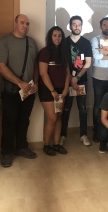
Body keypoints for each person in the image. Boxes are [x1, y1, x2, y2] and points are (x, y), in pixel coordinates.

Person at [0, 14, 39, 167]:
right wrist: (20, 82)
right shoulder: (4, 41)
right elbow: (0, 65)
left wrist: (35, 83)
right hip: (10, 91)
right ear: (15, 24)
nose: (25, 26)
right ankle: (6, 152)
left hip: (29, 92)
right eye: (22, 23)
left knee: (24, 121)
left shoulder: (32, 42)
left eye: (27, 23)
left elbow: (35, 66)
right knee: (9, 122)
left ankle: (21, 147)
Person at [60, 16, 93, 147]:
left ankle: (83, 135)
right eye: (74, 24)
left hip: (82, 81)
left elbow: (88, 63)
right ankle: (62, 135)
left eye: (79, 24)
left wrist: (77, 78)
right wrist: (70, 79)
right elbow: (63, 63)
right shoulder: (64, 42)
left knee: (82, 109)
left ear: (82, 26)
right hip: (66, 82)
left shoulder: (86, 43)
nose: (77, 27)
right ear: (70, 26)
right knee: (66, 108)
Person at [38, 26, 70, 156]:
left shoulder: (64, 52)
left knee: (58, 117)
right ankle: (46, 145)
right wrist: (52, 91)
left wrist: (66, 89)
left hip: (61, 90)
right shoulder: (45, 52)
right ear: (50, 37)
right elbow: (43, 73)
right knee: (52, 118)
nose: (57, 38)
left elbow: (67, 72)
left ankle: (56, 144)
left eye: (60, 36)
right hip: (47, 90)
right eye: (55, 35)